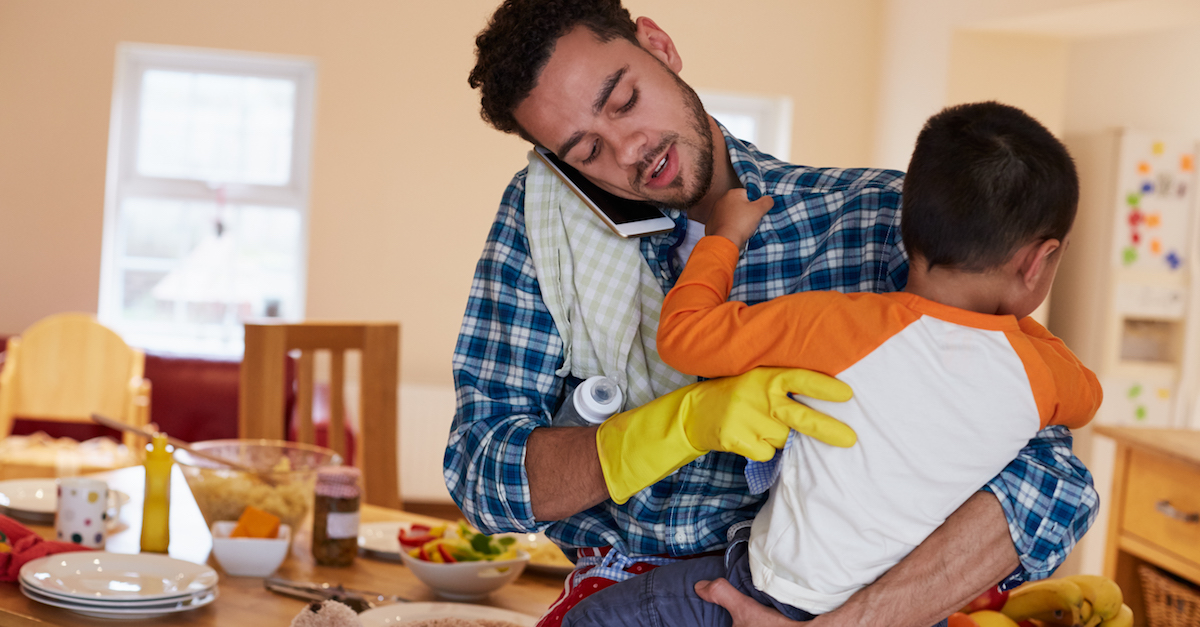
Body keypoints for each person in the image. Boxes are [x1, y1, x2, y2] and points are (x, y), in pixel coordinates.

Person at [447, 2, 1098, 626]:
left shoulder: (876, 221)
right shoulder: (548, 226)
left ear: (659, 46)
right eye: (586, 151)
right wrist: (671, 428)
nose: (628, 149)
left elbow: (1049, 483)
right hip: (633, 589)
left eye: (625, 101)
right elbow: (482, 473)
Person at [559, 101, 1103, 627]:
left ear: (907, 225)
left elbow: (684, 338)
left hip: (772, 590)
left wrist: (725, 236)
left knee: (588, 620)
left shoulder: (836, 326)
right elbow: (1087, 398)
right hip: (908, 615)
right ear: (1037, 261)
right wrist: (1011, 327)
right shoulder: (1043, 375)